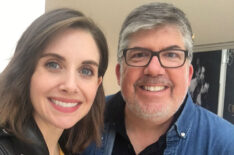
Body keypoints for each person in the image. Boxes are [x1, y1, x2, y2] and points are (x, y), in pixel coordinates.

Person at [82, 2, 234, 155]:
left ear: (188, 75)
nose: (154, 70)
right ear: (119, 73)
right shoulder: (82, 121)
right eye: (139, 55)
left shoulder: (226, 145)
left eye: (171, 55)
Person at [0, 8, 108, 155]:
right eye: (53, 65)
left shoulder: (67, 148)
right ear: (25, 71)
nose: (70, 86)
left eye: (86, 71)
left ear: (97, 83)